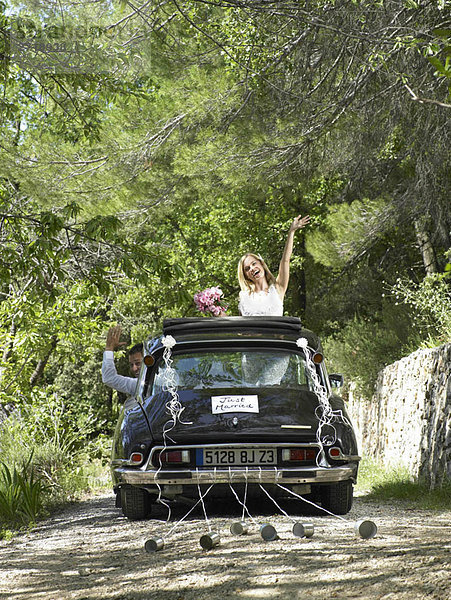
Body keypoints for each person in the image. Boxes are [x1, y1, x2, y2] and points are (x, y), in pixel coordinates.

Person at [237, 214, 310, 316]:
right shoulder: (244, 297)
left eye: (254, 264)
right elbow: (238, 326)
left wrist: (291, 231)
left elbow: (285, 260)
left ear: (262, 264)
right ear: (246, 276)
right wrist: (216, 309)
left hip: (276, 332)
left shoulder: (278, 289)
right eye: (247, 268)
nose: (252, 268)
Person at [101, 325, 143, 396]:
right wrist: (109, 349)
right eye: (131, 365)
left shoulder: (164, 380)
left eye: (138, 363)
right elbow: (109, 378)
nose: (134, 369)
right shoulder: (138, 386)